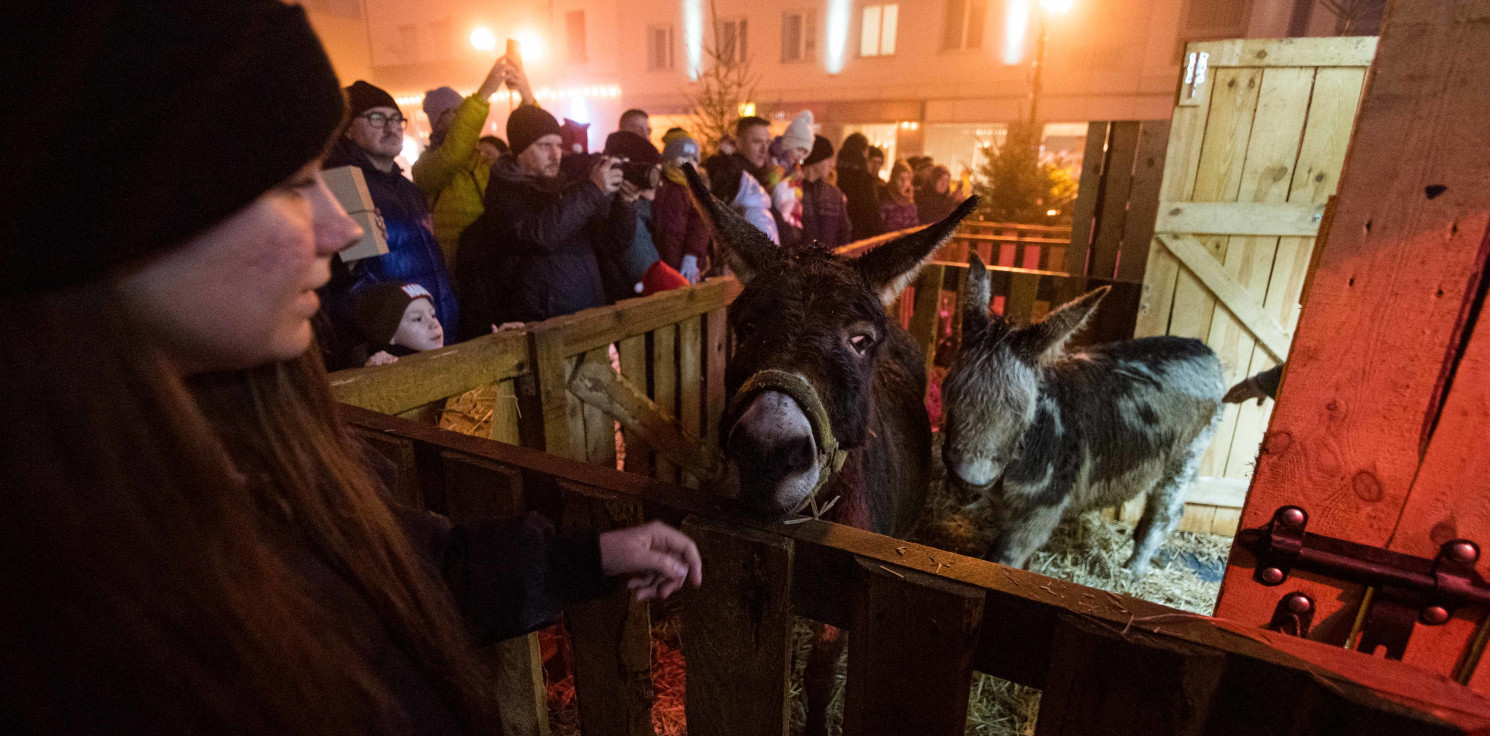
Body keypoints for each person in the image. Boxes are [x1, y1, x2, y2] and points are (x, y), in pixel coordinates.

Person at [2, 4, 702, 736]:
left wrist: (578, 562)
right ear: (113, 216)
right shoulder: (64, 629)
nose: (338, 229)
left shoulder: (264, 438)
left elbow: (399, 580)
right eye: (290, 187)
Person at [456, 104, 638, 338]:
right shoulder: (505, 196)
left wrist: (625, 204)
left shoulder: (566, 191)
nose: (556, 155)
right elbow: (539, 235)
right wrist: (592, 190)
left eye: (559, 145)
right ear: (520, 151)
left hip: (588, 324)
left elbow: (613, 244)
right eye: (544, 146)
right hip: (545, 334)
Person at [322, 80, 459, 351]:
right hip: (390, 348)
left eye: (397, 118)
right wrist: (367, 348)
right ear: (347, 128)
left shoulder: (409, 190)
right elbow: (338, 284)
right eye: (377, 118)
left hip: (434, 334)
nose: (392, 127)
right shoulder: (339, 188)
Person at [412, 56, 534, 266]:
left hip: (492, 264)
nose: (462, 116)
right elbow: (453, 155)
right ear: (438, 121)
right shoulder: (425, 167)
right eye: (456, 111)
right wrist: (484, 94)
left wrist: (527, 94)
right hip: (456, 267)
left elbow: (530, 149)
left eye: (463, 111)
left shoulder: (484, 160)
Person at [653, 134, 711, 282]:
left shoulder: (695, 191)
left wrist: (692, 255)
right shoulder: (659, 185)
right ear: (670, 160)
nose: (689, 164)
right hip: (662, 261)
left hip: (685, 266)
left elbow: (700, 225)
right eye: (684, 158)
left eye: (694, 160)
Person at [348, 282, 445, 367]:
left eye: (433, 315)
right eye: (418, 319)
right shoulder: (382, 363)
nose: (434, 324)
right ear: (390, 334)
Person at [798, 135, 851, 250]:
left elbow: (844, 230)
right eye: (829, 158)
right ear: (816, 159)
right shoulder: (791, 191)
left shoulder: (834, 194)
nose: (832, 164)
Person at [836, 133, 884, 240]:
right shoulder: (864, 180)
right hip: (860, 236)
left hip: (837, 235)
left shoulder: (835, 176)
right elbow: (872, 214)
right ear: (862, 152)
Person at [879, 160, 920, 232]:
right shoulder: (885, 202)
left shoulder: (911, 204)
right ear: (894, 179)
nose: (904, 182)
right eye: (900, 178)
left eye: (907, 178)